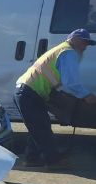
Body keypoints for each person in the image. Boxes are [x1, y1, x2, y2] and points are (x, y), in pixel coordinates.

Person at [14, 28, 96, 169]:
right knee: (41, 128)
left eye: (88, 44)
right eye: (83, 42)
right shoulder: (69, 53)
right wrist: (86, 95)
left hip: (26, 91)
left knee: (39, 126)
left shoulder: (61, 50)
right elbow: (71, 81)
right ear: (73, 39)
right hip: (29, 92)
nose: (85, 46)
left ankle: (31, 159)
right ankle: (54, 161)